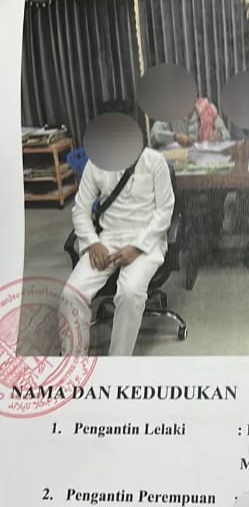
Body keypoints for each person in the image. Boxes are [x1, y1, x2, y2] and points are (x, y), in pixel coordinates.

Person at [60, 135, 175, 357]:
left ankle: (118, 363)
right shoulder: (96, 164)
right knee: (71, 294)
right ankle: (74, 364)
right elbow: (80, 211)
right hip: (108, 239)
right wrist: (93, 242)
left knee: (130, 293)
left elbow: (165, 212)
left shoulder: (154, 161)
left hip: (146, 239)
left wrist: (137, 247)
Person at [151, 95, 229, 149]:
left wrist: (220, 135)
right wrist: (175, 137)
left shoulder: (207, 110)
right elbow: (154, 134)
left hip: (205, 160)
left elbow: (226, 132)